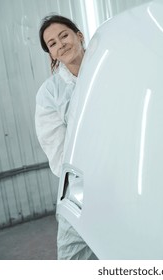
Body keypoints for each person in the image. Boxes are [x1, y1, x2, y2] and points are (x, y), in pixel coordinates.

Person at [35, 14, 96, 260]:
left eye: (64, 36)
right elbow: (58, 150)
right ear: (51, 54)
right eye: (52, 44)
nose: (60, 44)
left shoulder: (110, 70)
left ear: (79, 36)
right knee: (73, 255)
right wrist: (82, 182)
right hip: (79, 184)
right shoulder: (50, 94)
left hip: (123, 173)